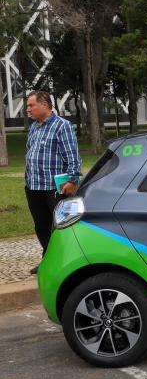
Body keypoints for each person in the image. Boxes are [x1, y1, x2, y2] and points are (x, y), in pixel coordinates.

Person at [24, 91, 81, 270]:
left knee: (60, 227)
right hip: (33, 187)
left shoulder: (62, 126)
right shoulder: (34, 127)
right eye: (27, 106)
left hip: (54, 189)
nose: (28, 109)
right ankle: (49, 262)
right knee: (41, 227)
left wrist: (72, 180)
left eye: (31, 105)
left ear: (45, 105)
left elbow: (72, 155)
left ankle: (67, 263)